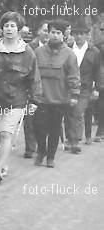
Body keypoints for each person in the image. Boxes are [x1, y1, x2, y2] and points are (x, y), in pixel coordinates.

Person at [0, 12, 40, 182]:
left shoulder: (27, 53)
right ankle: (3, 164)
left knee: (6, 133)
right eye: (6, 25)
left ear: (19, 30)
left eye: (12, 26)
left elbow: (34, 78)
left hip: (17, 100)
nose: (9, 29)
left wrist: (34, 100)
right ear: (1, 29)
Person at [32, 19, 80, 168]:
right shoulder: (38, 52)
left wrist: (74, 94)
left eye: (58, 33)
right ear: (48, 33)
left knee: (54, 129)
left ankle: (50, 157)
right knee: (38, 127)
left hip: (59, 99)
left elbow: (74, 75)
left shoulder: (69, 54)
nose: (55, 35)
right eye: (52, 32)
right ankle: (41, 150)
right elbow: (32, 73)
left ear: (63, 35)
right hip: (40, 98)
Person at [65, 20, 100, 148]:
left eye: (82, 34)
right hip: (69, 86)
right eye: (76, 33)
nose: (79, 36)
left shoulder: (94, 51)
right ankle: (69, 138)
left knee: (78, 111)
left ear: (87, 35)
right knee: (68, 112)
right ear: (73, 35)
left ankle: (75, 141)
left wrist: (97, 88)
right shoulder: (67, 49)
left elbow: (97, 71)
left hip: (85, 87)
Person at [23, 20, 50, 157]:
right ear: (39, 31)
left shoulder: (52, 49)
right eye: (44, 30)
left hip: (48, 90)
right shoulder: (29, 48)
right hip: (31, 88)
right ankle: (30, 148)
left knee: (44, 120)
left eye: (48, 31)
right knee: (29, 119)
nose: (46, 34)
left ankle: (42, 147)